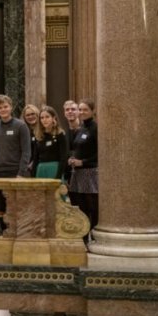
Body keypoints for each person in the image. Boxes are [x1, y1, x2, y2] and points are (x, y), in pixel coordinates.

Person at [0, 95, 32, 233]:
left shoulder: (21, 125)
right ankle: (2, 232)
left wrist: (21, 172)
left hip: (15, 172)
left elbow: (26, 151)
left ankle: (18, 231)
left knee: (16, 205)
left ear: (11, 107)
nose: (3, 109)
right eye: (0, 107)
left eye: (5, 106)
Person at [68, 99, 99, 239]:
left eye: (85, 109)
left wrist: (84, 162)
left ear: (93, 111)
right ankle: (82, 237)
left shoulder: (96, 128)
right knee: (79, 208)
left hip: (90, 174)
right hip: (77, 174)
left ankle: (93, 237)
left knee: (91, 208)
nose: (81, 112)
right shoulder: (80, 129)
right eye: (80, 109)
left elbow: (100, 153)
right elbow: (76, 149)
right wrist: (72, 159)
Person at [33, 106, 68, 179]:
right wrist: (33, 176)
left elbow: (63, 158)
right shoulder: (39, 136)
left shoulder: (60, 134)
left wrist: (58, 177)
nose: (44, 120)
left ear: (53, 118)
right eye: (42, 118)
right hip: (41, 169)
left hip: (55, 169)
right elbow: (35, 158)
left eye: (47, 117)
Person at [62, 100, 81, 182]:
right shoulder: (64, 133)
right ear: (64, 113)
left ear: (78, 112)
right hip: (69, 174)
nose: (70, 111)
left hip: (84, 171)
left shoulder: (86, 130)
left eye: (73, 109)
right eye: (67, 110)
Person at [22, 104, 41, 173]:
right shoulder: (24, 131)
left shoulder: (43, 130)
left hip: (39, 165)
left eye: (33, 114)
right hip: (26, 167)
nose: (30, 117)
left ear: (37, 114)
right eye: (27, 115)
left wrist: (33, 163)